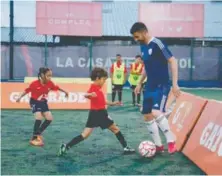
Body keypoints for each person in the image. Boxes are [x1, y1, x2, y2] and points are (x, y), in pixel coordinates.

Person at [58, 67, 135, 156]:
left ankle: (66, 146)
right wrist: (90, 94)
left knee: (85, 135)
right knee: (115, 129)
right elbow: (86, 95)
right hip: (100, 114)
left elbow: (102, 101)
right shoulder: (93, 87)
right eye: (103, 80)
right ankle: (126, 147)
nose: (104, 82)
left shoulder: (98, 89)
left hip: (94, 114)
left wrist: (113, 103)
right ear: (97, 78)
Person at [130, 22, 181, 154]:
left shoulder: (157, 43)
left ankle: (171, 140)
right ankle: (158, 146)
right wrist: (140, 83)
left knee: (156, 112)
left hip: (162, 85)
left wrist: (175, 84)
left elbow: (173, 61)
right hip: (150, 85)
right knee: (147, 115)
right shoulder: (143, 46)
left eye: (137, 36)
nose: (136, 39)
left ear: (144, 32)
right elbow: (147, 67)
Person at [16, 67, 68, 146]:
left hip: (43, 102)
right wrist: (19, 97)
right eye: (48, 76)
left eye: (51, 76)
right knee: (39, 117)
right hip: (34, 102)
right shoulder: (34, 84)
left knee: (49, 118)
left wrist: (65, 92)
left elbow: (56, 88)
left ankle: (38, 133)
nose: (50, 77)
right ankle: (34, 138)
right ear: (42, 75)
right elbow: (26, 91)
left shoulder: (50, 83)